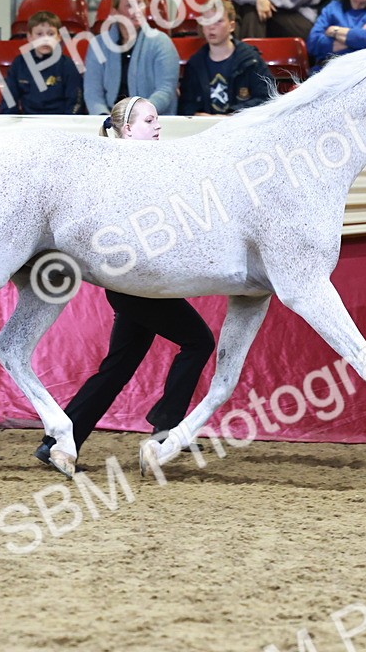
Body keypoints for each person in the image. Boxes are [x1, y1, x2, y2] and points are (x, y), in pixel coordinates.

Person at [35, 96, 215, 467]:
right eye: (150, 121)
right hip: (134, 283)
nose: (159, 126)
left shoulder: (146, 166)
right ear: (127, 130)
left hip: (134, 284)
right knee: (198, 341)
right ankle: (167, 428)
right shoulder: (117, 170)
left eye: (157, 119)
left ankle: (57, 441)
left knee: (117, 368)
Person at [84, 0, 180, 115]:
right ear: (115, 12)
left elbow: (166, 90)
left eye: (140, 4)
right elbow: (92, 92)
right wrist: (105, 118)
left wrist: (139, 116)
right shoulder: (98, 45)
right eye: (129, 5)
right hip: (109, 118)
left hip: (151, 120)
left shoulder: (162, 42)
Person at [178, 0, 272, 116]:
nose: (211, 27)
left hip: (241, 127)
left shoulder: (251, 60)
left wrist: (232, 115)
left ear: (231, 26)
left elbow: (266, 98)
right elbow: (185, 104)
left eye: (218, 21)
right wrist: (196, 115)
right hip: (205, 128)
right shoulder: (195, 64)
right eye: (207, 21)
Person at [4, 11, 83, 115]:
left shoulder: (67, 65)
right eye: (39, 34)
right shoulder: (19, 64)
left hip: (61, 122)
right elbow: (8, 103)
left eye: (51, 34)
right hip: (28, 122)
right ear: (30, 37)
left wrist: (67, 124)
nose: (45, 39)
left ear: (58, 37)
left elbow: (75, 103)